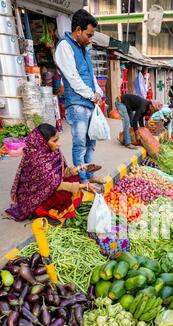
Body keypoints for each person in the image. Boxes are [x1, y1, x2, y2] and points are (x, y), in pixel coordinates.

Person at [5, 124, 96, 222]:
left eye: (58, 140)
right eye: (54, 141)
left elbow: (61, 172)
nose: (58, 144)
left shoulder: (52, 151)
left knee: (74, 177)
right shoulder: (36, 161)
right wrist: (83, 186)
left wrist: (79, 168)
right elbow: (55, 185)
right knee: (63, 193)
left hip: (50, 186)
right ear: (42, 142)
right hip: (35, 197)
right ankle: (46, 212)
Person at [55, 9, 105, 185]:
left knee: (91, 142)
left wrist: (98, 91)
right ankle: (82, 180)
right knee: (80, 143)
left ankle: (90, 175)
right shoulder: (64, 46)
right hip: (77, 104)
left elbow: (90, 75)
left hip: (90, 102)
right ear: (78, 30)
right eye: (89, 34)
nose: (90, 39)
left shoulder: (83, 48)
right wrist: (92, 95)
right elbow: (73, 77)